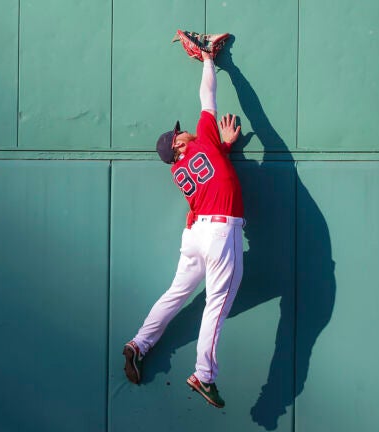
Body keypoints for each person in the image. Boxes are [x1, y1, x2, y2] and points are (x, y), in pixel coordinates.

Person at [123, 46, 244, 409]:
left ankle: (138, 344)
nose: (186, 131)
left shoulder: (180, 169)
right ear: (177, 143)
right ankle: (204, 375)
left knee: (177, 293)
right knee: (217, 303)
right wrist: (209, 60)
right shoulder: (202, 139)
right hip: (221, 232)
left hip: (196, 234)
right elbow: (208, 95)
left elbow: (210, 165)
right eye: (180, 133)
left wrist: (222, 147)